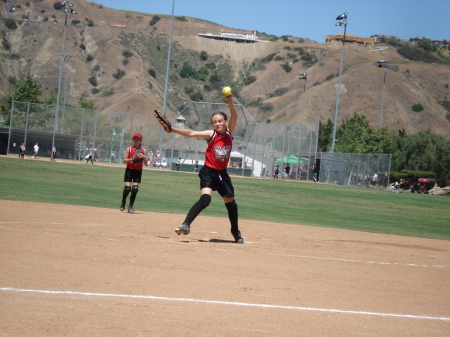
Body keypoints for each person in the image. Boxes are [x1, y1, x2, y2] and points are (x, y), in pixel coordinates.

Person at [168, 92, 244, 243]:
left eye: (220, 121)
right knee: (205, 200)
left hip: (222, 174)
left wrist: (229, 100)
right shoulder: (211, 134)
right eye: (215, 122)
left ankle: (235, 231)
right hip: (209, 172)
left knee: (231, 203)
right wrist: (172, 129)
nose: (217, 124)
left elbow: (235, 116)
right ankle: (185, 224)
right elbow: (191, 133)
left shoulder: (229, 132)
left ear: (226, 122)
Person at [120, 133, 147, 214]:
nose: (136, 140)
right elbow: (124, 160)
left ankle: (130, 207)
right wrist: (132, 159)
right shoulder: (129, 149)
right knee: (127, 189)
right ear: (132, 140)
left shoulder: (143, 150)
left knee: (134, 189)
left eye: (138, 139)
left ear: (141, 140)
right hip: (129, 170)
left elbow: (145, 163)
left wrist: (144, 157)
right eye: (134, 138)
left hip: (138, 171)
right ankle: (123, 202)